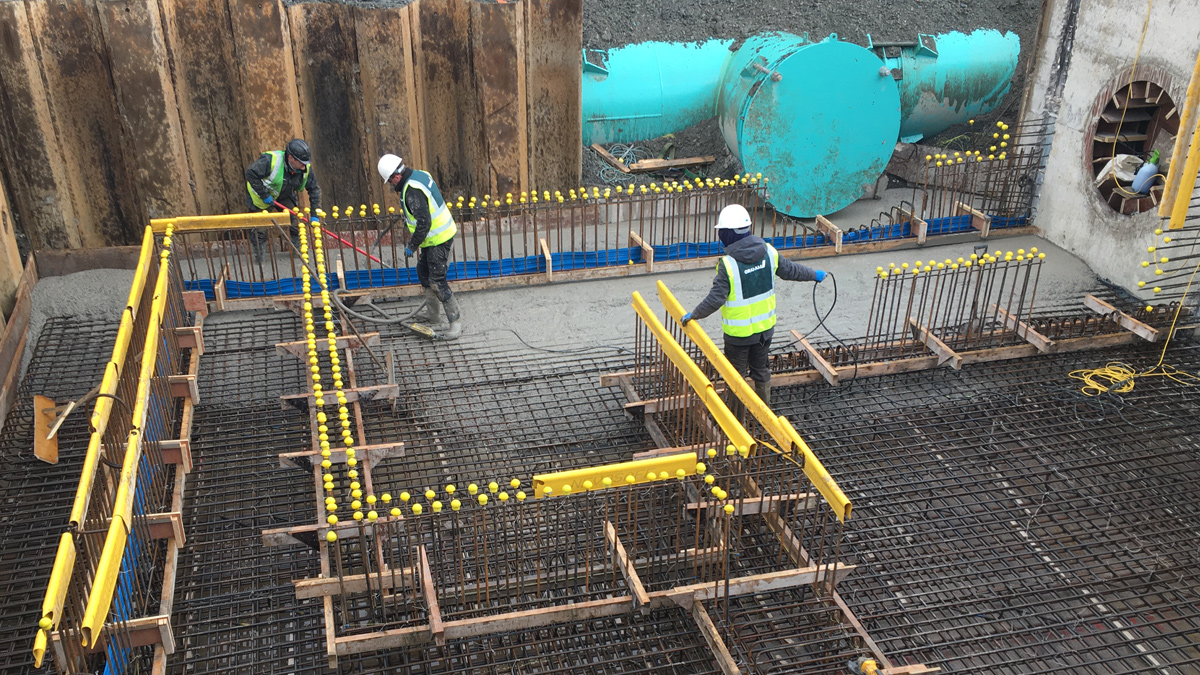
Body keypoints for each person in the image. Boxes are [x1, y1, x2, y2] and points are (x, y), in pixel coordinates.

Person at [681, 204, 826, 405]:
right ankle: (762, 415)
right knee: (761, 370)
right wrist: (815, 275)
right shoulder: (768, 252)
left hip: (739, 337)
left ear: (728, 234)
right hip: (765, 331)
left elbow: (716, 299)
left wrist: (694, 315)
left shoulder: (728, 265)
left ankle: (737, 422)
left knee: (736, 378)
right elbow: (791, 270)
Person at [376, 153, 461, 339]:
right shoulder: (420, 175)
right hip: (432, 239)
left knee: (437, 281)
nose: (392, 186)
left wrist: (412, 246)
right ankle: (433, 315)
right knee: (423, 272)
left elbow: (424, 223)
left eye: (391, 182)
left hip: (440, 238)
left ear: (396, 176)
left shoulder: (411, 190)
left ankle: (455, 324)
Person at [245, 138, 322, 262]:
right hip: (260, 196)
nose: (304, 167)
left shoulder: (305, 168)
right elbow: (250, 174)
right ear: (291, 158)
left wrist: (315, 214)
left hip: (284, 194)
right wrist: (264, 195)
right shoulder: (270, 161)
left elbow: (314, 190)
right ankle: (259, 260)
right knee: (260, 230)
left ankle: (298, 253)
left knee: (295, 222)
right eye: (301, 163)